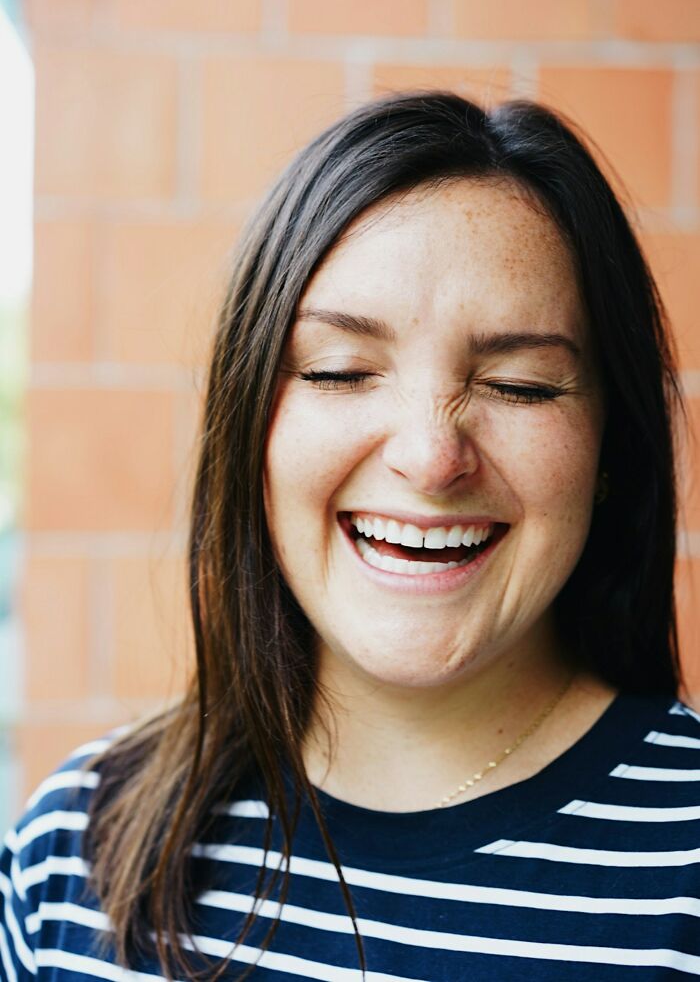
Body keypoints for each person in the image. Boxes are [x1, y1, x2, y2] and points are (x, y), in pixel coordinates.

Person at [2, 91, 699, 981]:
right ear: (250, 418)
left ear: (610, 447)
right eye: (341, 370)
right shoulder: (74, 854)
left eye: (521, 385)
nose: (431, 455)